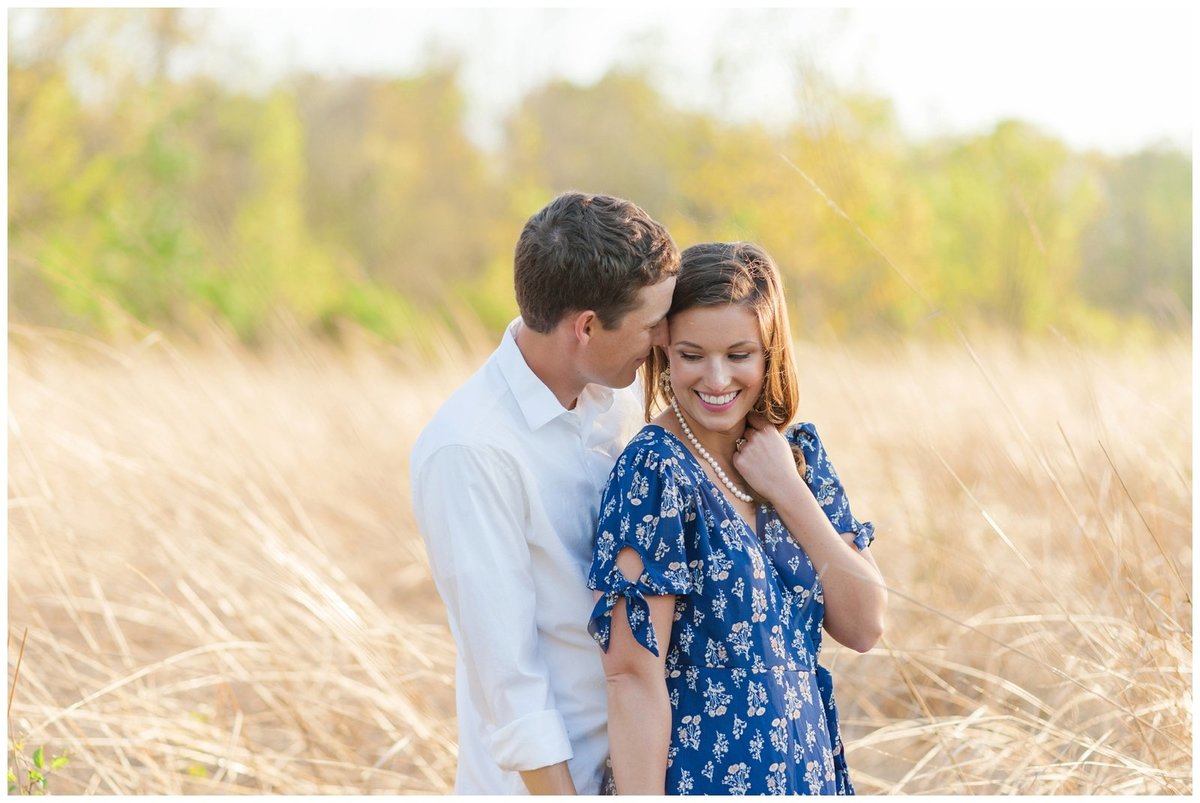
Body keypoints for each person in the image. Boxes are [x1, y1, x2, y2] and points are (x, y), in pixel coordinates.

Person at [587, 241, 886, 795]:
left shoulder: (798, 454)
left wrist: (789, 492)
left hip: (807, 775)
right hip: (702, 780)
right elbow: (630, 674)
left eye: (739, 354)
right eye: (692, 354)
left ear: (770, 352)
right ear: (663, 351)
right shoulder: (656, 472)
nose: (717, 379)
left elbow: (864, 625)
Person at [410, 192, 680, 794]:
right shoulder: (471, 450)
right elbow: (509, 684)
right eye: (649, 322)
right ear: (586, 327)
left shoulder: (622, 405)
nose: (664, 338)